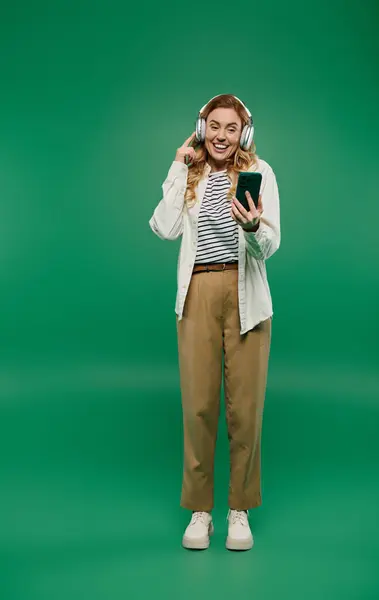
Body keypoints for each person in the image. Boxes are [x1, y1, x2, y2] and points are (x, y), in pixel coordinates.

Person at [149, 94, 281, 551]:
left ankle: (238, 510)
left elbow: (269, 247)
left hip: (246, 297)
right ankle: (201, 512)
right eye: (214, 126)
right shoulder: (191, 173)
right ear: (202, 128)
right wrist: (179, 166)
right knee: (199, 406)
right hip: (198, 292)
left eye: (231, 127)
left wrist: (253, 227)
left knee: (245, 410)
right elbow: (163, 228)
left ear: (243, 133)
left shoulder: (260, 174)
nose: (222, 136)